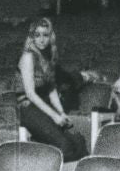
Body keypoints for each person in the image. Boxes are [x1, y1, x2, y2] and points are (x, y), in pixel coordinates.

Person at [17, 17, 88, 161]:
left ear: (51, 36)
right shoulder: (28, 57)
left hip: (44, 106)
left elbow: (51, 89)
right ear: (32, 37)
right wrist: (54, 116)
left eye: (45, 35)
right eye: (37, 35)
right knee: (65, 146)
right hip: (28, 108)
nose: (41, 39)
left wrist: (61, 113)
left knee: (78, 142)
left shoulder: (48, 58)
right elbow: (30, 94)